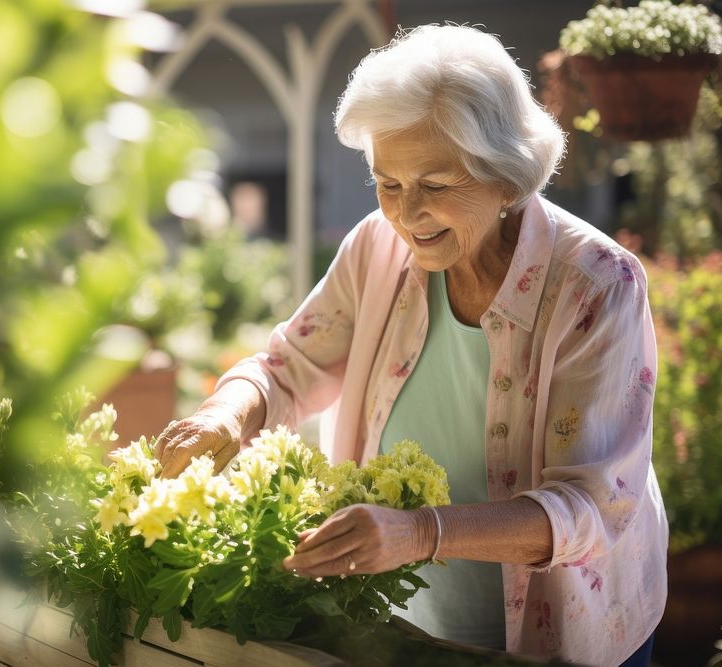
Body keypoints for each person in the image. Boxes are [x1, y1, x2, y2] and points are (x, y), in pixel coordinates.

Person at [154, 24, 667, 667]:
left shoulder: (596, 284)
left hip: (559, 632)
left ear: (506, 178)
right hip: (405, 622)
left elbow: (591, 506)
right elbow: (287, 367)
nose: (406, 214)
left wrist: (422, 532)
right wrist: (222, 415)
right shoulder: (377, 244)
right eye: (386, 183)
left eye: (436, 185)